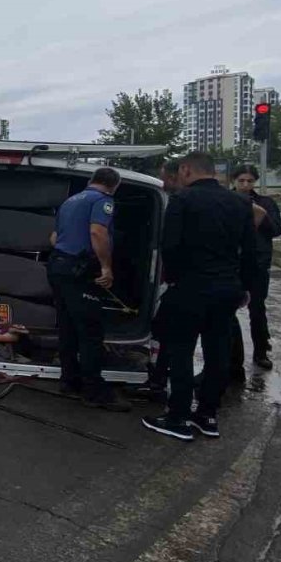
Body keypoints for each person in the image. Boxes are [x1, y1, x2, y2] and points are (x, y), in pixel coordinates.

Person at [142, 152, 258, 442]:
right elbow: (250, 252)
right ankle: (207, 415)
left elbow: (170, 247)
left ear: (185, 170)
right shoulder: (240, 202)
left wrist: (175, 280)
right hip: (227, 290)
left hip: (191, 287)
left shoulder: (182, 200)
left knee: (180, 351)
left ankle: (177, 417)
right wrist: (244, 288)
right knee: (217, 352)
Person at [47, 167, 130, 412]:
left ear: (92, 181)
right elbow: (97, 232)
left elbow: (54, 237)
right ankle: (94, 391)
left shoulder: (70, 202)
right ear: (113, 185)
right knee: (90, 332)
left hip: (59, 267)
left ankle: (69, 381)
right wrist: (106, 268)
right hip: (80, 273)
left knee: (67, 327)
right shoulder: (103, 201)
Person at [128, 159, 182, 403]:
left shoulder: (181, 203)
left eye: (165, 176)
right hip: (196, 283)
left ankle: (162, 385)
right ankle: (159, 379)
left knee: (171, 335)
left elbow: (169, 245)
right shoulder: (174, 200)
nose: (164, 181)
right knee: (167, 333)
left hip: (179, 284)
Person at [229, 165, 281, 376]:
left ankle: (261, 351)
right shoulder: (227, 200)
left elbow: (276, 230)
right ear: (234, 181)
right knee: (226, 311)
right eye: (241, 180)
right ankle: (232, 358)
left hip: (258, 263)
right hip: (232, 263)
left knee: (257, 309)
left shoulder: (265, 203)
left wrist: (261, 216)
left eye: (249, 181)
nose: (245, 185)